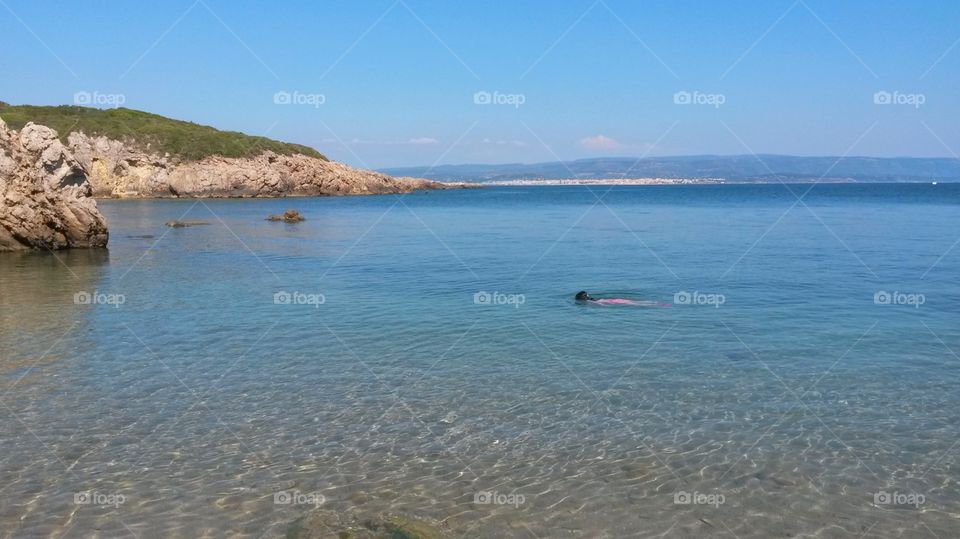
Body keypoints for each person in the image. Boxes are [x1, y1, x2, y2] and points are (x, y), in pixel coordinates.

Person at [575, 290, 668, 307]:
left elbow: (599, 303)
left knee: (636, 303)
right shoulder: (590, 299)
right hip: (615, 299)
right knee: (636, 302)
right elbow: (598, 302)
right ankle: (655, 302)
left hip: (613, 302)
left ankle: (658, 304)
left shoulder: (588, 301)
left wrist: (604, 306)